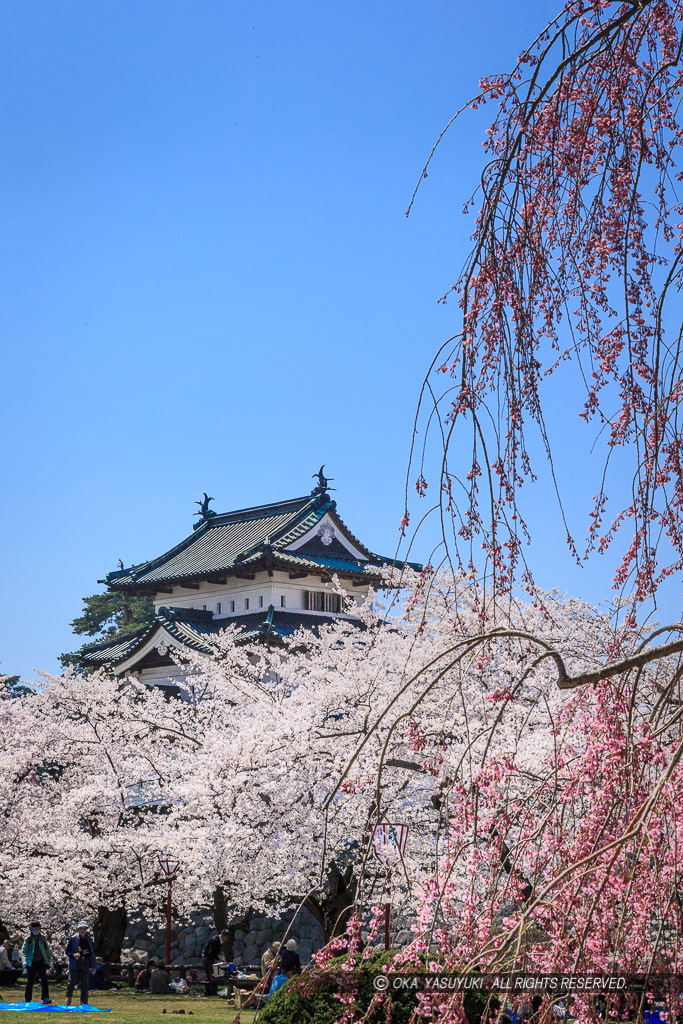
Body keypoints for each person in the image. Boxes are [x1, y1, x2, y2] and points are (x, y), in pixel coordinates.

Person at [65, 920, 96, 1006]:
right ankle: (69, 996)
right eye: (81, 929)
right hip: (75, 963)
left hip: (85, 963)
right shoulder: (73, 938)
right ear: (78, 929)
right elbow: (67, 951)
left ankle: (84, 1002)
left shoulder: (89, 939)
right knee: (72, 982)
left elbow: (92, 952)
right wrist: (73, 955)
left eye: (85, 929)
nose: (83, 930)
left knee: (85, 984)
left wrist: (93, 965)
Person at [21, 921, 52, 1004]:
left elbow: (47, 951)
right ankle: (28, 999)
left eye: (37, 930)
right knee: (30, 981)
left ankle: (45, 997)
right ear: (31, 930)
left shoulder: (43, 938)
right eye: (34, 930)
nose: (36, 931)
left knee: (44, 979)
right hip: (31, 963)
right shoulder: (28, 939)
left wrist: (49, 961)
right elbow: (23, 951)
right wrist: (24, 962)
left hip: (41, 962)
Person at [201, 929, 229, 996]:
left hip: (210, 958)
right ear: (222, 935)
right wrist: (219, 959)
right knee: (211, 975)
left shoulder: (218, 940)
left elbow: (215, 950)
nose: (227, 939)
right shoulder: (215, 940)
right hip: (207, 958)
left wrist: (219, 952)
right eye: (226, 937)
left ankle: (212, 991)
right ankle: (209, 991)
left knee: (212, 974)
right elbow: (211, 953)